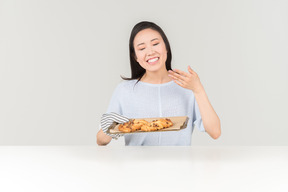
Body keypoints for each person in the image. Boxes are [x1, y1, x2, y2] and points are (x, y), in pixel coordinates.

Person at [96, 21, 221, 146]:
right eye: (142, 48)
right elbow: (101, 140)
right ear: (135, 57)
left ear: (166, 47)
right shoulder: (124, 90)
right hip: (137, 164)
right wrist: (113, 127)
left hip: (180, 164)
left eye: (155, 44)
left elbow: (215, 132)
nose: (150, 52)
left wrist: (198, 89)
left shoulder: (186, 86)